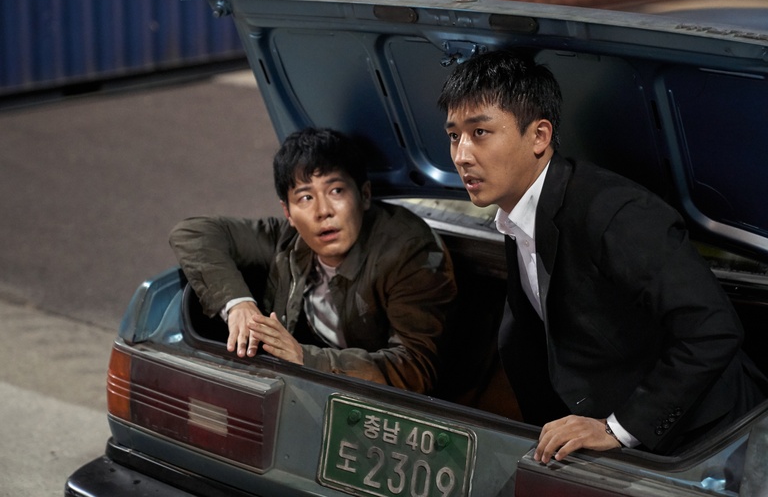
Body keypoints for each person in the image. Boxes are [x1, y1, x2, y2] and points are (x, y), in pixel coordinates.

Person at [437, 51, 767, 460]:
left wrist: (619, 428)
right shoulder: (518, 209)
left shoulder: (615, 213)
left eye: (480, 132)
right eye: (454, 136)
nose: (462, 155)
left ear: (539, 136)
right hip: (616, 442)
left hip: (711, 443)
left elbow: (713, 330)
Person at [170, 127, 456, 394]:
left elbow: (415, 368)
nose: (322, 211)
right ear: (288, 213)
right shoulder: (288, 239)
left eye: (336, 191)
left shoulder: (408, 251)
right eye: (305, 197)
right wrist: (238, 304)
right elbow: (193, 233)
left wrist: (305, 358)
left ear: (364, 195)